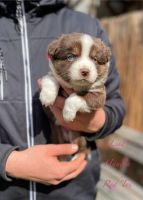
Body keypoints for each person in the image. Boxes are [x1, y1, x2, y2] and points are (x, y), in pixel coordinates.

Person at [0, 0, 125, 199]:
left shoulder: (88, 25)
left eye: (93, 59)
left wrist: (98, 122)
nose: (84, 66)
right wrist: (8, 161)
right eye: (71, 57)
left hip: (74, 186)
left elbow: (116, 107)